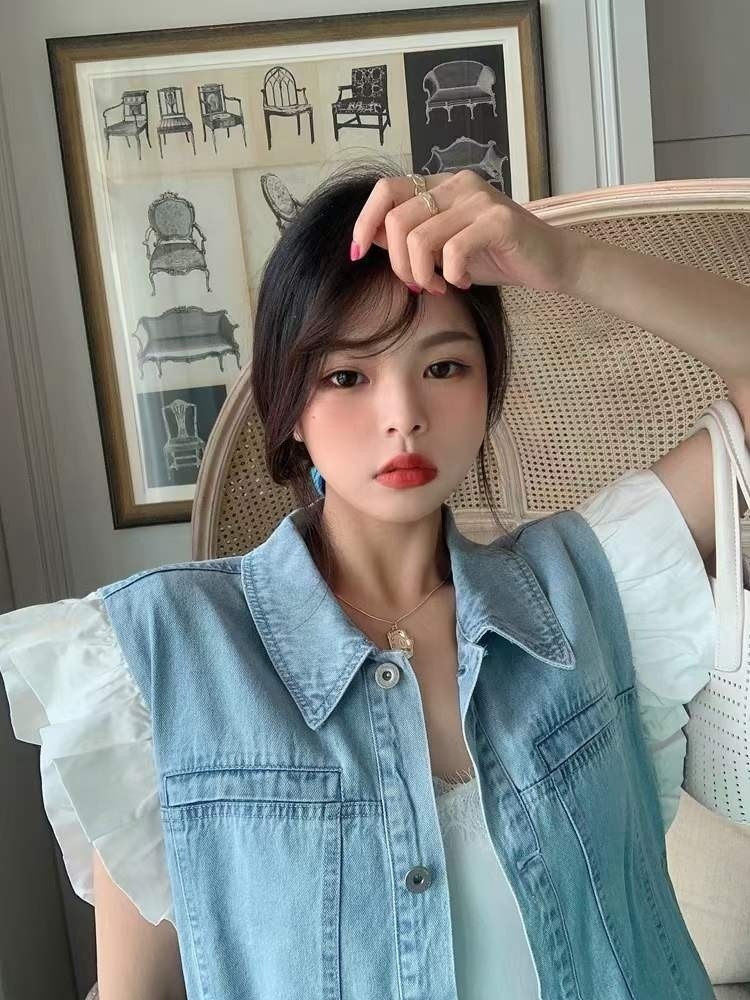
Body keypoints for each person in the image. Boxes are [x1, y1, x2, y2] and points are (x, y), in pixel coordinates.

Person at [1, 157, 749, 1000]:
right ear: (291, 407)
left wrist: (567, 261)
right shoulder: (159, 661)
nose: (403, 417)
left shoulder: (580, 587)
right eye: (347, 376)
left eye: (444, 367)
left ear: (488, 388)